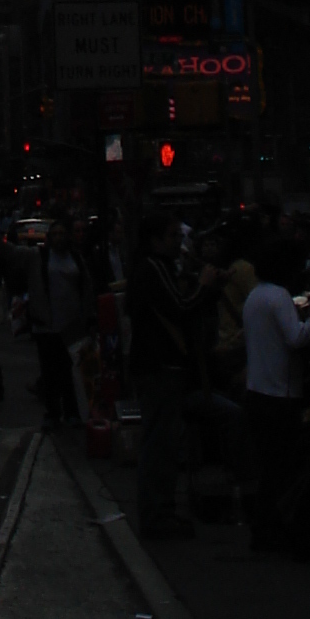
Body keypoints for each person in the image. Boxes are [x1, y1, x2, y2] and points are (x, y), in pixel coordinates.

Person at [241, 242, 310, 550]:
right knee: (283, 468)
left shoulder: (255, 296)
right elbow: (295, 338)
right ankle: (275, 529)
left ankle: (264, 529)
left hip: (257, 391)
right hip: (280, 394)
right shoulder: (280, 297)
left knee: (269, 467)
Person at [131, 211, 202, 538]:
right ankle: (157, 513)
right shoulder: (153, 269)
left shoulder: (157, 269)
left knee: (164, 442)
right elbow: (181, 308)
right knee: (160, 444)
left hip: (160, 367)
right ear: (156, 240)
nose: (179, 242)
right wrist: (205, 288)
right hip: (159, 367)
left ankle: (162, 510)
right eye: (173, 236)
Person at [27, 220, 88, 426]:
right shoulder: (41, 258)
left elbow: (86, 285)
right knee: (50, 371)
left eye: (63, 233)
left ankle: (72, 411)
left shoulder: (76, 257)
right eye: (55, 234)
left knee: (70, 371)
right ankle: (53, 413)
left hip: (72, 324)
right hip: (47, 325)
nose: (59, 238)